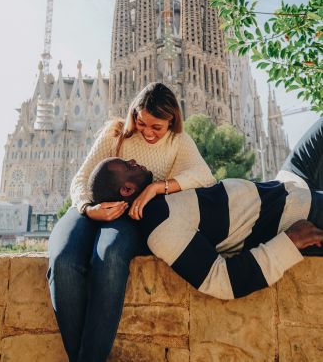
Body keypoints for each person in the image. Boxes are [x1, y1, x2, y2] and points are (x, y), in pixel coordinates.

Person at [47, 82, 216, 362]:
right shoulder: (116, 132)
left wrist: (156, 187)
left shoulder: (179, 142)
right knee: (63, 260)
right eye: (141, 122)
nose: (148, 132)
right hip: (88, 207)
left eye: (156, 127)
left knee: (110, 256)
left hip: (130, 218)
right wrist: (89, 209)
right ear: (133, 114)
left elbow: (204, 176)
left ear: (171, 121)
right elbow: (81, 177)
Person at [88, 117, 323, 300]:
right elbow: (221, 281)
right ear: (127, 190)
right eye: (128, 166)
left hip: (286, 184)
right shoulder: (161, 228)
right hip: (297, 212)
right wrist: (290, 242)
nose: (134, 161)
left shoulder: (160, 195)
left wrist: (158, 187)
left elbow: (202, 172)